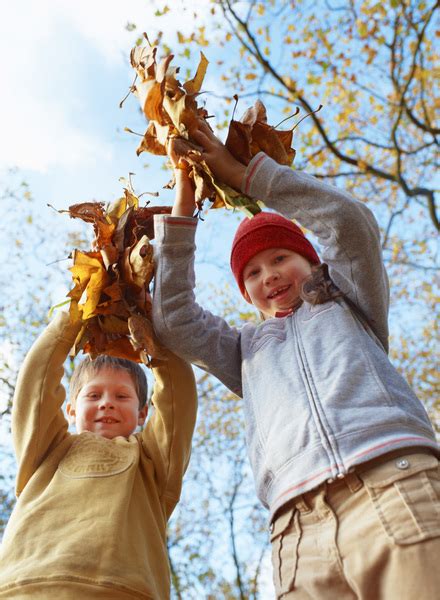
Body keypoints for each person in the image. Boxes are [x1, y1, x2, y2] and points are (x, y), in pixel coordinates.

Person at [151, 120, 440, 599]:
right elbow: (174, 319)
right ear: (246, 293)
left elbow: (350, 225)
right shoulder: (245, 350)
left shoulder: (349, 302)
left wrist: (246, 176)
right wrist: (183, 207)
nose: (270, 275)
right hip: (298, 532)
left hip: (390, 480)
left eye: (281, 257)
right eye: (253, 272)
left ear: (311, 260)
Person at [0, 311, 197, 599]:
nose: (107, 404)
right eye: (93, 396)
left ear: (143, 412)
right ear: (71, 409)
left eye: (121, 396)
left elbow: (177, 402)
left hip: (125, 591)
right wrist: (73, 319)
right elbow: (35, 389)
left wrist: (157, 342)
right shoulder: (47, 448)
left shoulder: (151, 459)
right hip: (26, 584)